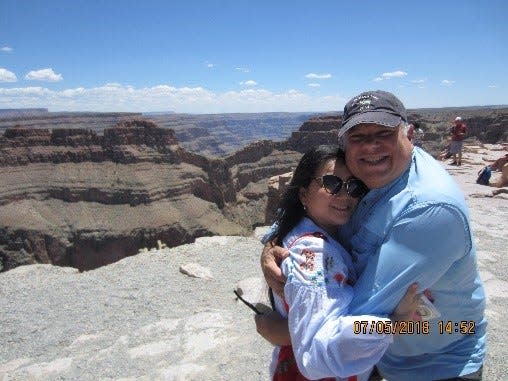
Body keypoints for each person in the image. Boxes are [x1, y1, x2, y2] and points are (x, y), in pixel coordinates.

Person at [259, 90, 487, 381]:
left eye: (384, 132)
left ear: (410, 134)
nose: (371, 146)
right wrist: (274, 241)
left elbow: (347, 326)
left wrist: (289, 332)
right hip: (385, 357)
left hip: (436, 361)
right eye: (358, 137)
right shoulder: (363, 178)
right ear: (345, 143)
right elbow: (309, 202)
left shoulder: (430, 210)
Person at [259, 145, 419, 381]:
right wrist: (394, 325)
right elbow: (315, 354)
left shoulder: (329, 230)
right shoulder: (316, 255)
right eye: (332, 183)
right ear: (304, 194)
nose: (345, 195)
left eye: (354, 186)